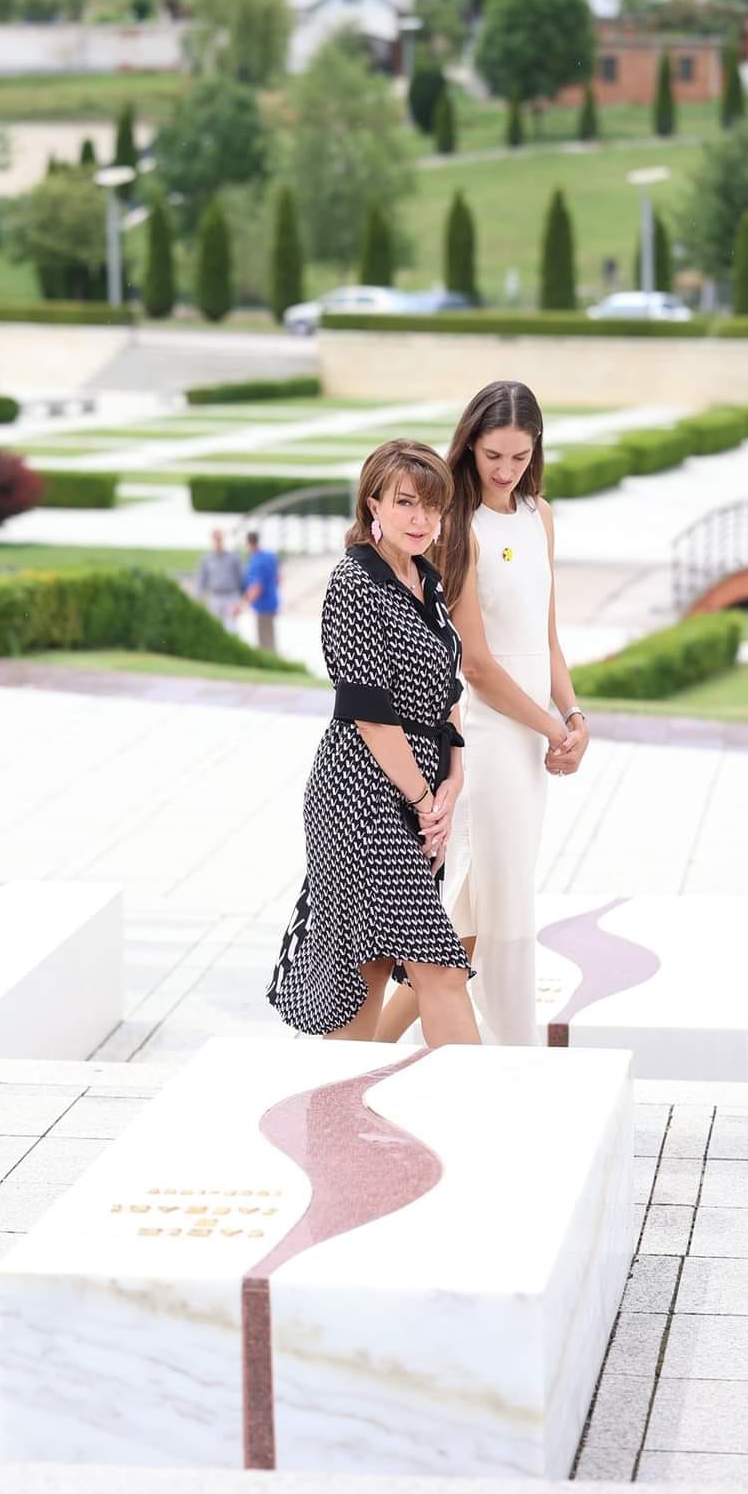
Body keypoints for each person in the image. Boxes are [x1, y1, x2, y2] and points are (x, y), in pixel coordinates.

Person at [376, 380, 589, 1048]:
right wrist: (552, 728)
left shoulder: (540, 516)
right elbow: (478, 664)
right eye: (492, 454)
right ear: (469, 445)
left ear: (535, 453)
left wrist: (574, 715)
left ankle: (361, 1049)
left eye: (519, 457)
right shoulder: (457, 525)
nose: (504, 470)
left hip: (532, 740)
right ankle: (510, 1054)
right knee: (496, 912)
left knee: (470, 916)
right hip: (490, 739)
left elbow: (545, 635)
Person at [266, 439, 481, 1047]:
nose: (422, 520)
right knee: (436, 968)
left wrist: (453, 778)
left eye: (433, 508)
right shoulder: (354, 582)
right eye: (406, 503)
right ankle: (488, 1115)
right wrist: (423, 800)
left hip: (420, 792)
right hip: (360, 797)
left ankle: (330, 1124)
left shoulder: (428, 580)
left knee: (372, 969)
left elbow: (449, 688)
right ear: (373, 505)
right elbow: (371, 714)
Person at [238, 530, 280, 652]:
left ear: (248, 543)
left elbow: (257, 588)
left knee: (265, 644)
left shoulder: (256, 561)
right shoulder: (270, 556)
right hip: (272, 602)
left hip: (263, 606)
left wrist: (241, 606)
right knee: (270, 638)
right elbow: (278, 578)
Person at [197, 528, 243, 633]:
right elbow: (201, 581)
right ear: (212, 540)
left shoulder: (233, 557)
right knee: (213, 628)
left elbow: (240, 579)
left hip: (231, 597)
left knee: (232, 629)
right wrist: (200, 599)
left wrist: (240, 602)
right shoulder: (206, 559)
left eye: (219, 538)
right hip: (214, 597)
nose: (218, 541)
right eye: (215, 538)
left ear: (223, 539)